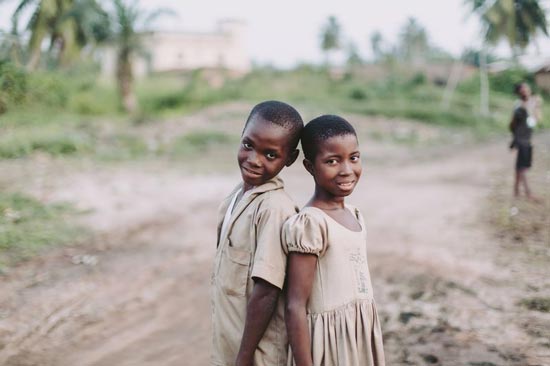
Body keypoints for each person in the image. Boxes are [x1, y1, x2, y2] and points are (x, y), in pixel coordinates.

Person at [283, 115, 385, 366]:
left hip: (357, 333)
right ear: (310, 166)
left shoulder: (355, 214)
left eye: (354, 157)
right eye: (332, 161)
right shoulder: (311, 224)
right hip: (327, 345)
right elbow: (295, 306)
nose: (347, 170)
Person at [211, 100, 304, 366]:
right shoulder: (235, 198)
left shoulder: (275, 209)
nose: (253, 160)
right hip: (229, 341)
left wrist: (243, 357)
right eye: (248, 145)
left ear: (290, 158)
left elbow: (267, 290)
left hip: (255, 353)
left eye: (270, 154)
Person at [509, 82, 542, 200]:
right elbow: (512, 124)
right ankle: (528, 193)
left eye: (526, 88)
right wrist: (515, 138)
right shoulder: (518, 105)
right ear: (519, 93)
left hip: (527, 138)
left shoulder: (534, 102)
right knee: (522, 166)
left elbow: (537, 119)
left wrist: (535, 106)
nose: (525, 91)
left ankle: (516, 190)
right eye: (522, 90)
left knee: (520, 166)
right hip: (521, 138)